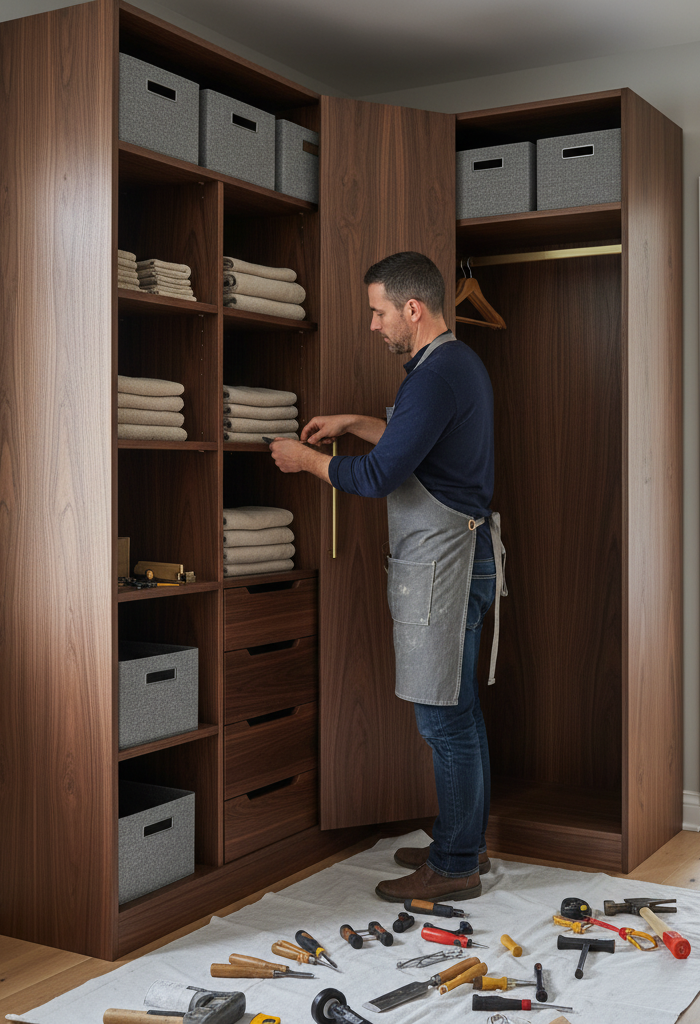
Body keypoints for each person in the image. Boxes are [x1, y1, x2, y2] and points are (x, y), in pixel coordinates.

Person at [267, 250, 504, 902]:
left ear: (412, 308)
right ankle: (464, 842)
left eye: (378, 312)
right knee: (459, 713)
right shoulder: (455, 364)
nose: (373, 324)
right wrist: (354, 423)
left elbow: (378, 476)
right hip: (464, 559)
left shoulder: (433, 377)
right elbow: (415, 445)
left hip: (445, 567)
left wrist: (306, 461)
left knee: (443, 721)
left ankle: (454, 866)